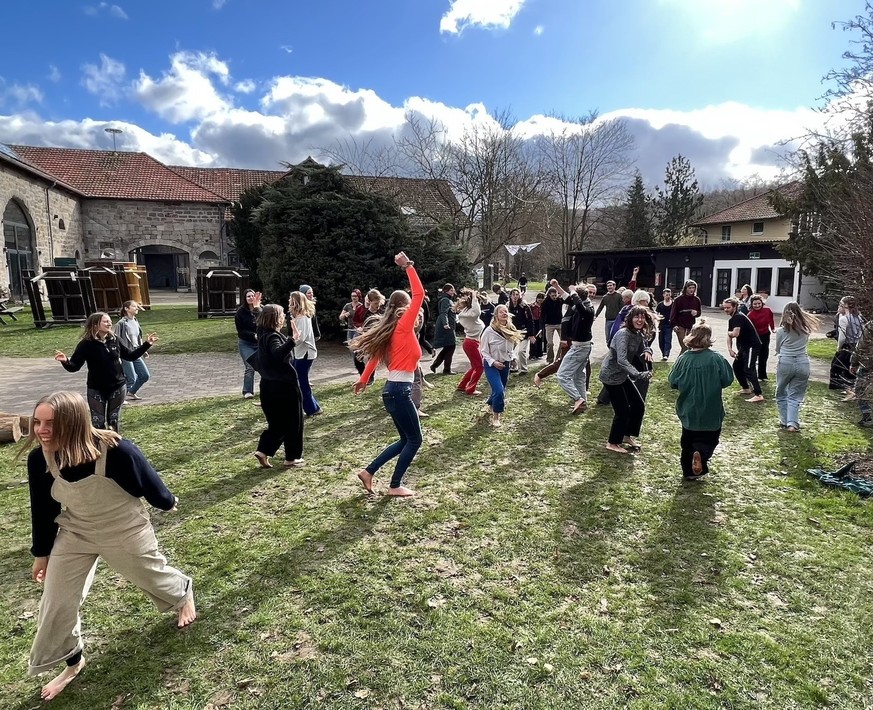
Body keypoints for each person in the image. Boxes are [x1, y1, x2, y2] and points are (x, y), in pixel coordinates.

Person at [22, 391, 195, 701]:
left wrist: (167, 502)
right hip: (76, 532)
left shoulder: (116, 452)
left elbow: (150, 484)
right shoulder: (39, 459)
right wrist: (41, 555)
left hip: (122, 527)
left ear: (73, 424)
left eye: (50, 423)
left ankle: (183, 594)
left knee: (150, 575)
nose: (41, 431)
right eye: (37, 422)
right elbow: (43, 510)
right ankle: (73, 661)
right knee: (57, 600)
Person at [351, 252, 423, 497]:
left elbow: (373, 359)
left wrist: (362, 380)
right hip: (400, 393)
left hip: (391, 392)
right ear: (404, 309)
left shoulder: (391, 330)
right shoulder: (402, 326)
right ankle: (395, 485)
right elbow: (420, 295)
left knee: (405, 439)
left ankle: (368, 472)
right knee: (415, 440)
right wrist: (408, 267)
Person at [54, 312, 156, 432]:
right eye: (106, 321)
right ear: (96, 324)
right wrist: (65, 361)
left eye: (109, 321)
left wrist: (146, 344)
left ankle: (114, 447)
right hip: (96, 388)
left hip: (118, 386)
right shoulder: (86, 344)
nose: (110, 323)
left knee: (113, 421)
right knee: (98, 422)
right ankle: (99, 448)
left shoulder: (115, 340)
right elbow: (74, 367)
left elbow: (130, 356)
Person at [667, 320, 734, 479]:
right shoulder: (716, 358)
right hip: (711, 407)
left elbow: (673, 381)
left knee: (688, 440)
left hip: (689, 406)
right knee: (710, 438)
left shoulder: (683, 359)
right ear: (708, 338)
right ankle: (701, 454)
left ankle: (689, 471)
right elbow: (727, 380)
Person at [253, 304, 304, 468]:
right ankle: (292, 457)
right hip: (284, 386)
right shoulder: (273, 337)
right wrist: (293, 340)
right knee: (294, 421)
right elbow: (277, 353)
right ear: (276, 318)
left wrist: (257, 309)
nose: (284, 317)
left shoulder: (262, 333)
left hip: (268, 385)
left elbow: (260, 321)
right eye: (282, 315)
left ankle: (263, 451)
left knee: (278, 423)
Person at [598, 306, 655, 454]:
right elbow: (622, 360)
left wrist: (647, 351)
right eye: (637, 316)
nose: (640, 320)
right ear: (630, 318)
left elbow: (644, 346)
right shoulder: (623, 334)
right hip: (611, 375)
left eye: (642, 317)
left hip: (622, 375)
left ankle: (626, 436)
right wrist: (638, 374)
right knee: (622, 410)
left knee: (638, 405)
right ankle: (612, 442)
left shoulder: (637, 333)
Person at [775, 302, 821, 432]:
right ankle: (792, 423)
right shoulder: (806, 330)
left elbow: (778, 348)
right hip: (803, 362)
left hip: (786, 362)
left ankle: (784, 420)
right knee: (795, 395)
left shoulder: (781, 331)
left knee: (781, 392)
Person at [479, 304, 524, 427]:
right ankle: (496, 416)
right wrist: (493, 362)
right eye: (501, 312)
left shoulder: (510, 330)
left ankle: (490, 404)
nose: (504, 313)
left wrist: (513, 358)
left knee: (499, 389)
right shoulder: (489, 331)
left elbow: (511, 349)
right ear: (496, 315)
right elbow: (483, 351)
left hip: (505, 364)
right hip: (491, 365)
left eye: (506, 311)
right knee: (499, 391)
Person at [556, 284, 595, 415]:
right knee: (579, 376)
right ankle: (583, 403)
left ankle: (578, 399)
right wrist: (557, 286)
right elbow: (568, 298)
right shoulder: (580, 304)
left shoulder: (587, 309)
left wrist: (573, 291)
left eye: (574, 296)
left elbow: (577, 304)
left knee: (562, 375)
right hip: (583, 346)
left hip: (579, 348)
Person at [722, 297, 763, 403]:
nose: (726, 310)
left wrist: (729, 334)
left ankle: (758, 394)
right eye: (724, 308)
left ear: (735, 307)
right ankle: (746, 388)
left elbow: (734, 334)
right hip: (744, 347)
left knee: (749, 369)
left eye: (728, 308)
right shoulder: (732, 319)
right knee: (736, 366)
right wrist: (730, 349)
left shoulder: (738, 317)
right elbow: (729, 335)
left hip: (751, 346)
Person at [289, 291, 322, 418]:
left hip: (305, 354)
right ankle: (311, 407)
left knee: (302, 382)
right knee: (298, 380)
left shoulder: (302, 318)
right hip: (301, 353)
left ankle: (313, 409)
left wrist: (289, 343)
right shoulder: (298, 317)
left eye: (290, 300)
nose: (289, 302)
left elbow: (300, 338)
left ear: (296, 302)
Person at [113, 300, 150, 400]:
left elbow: (138, 337)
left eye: (136, 306)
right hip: (125, 353)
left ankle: (131, 392)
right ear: (126, 309)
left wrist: (143, 349)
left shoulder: (135, 321)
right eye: (134, 306)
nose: (136, 308)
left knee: (144, 375)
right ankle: (121, 397)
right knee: (131, 377)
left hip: (135, 352)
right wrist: (118, 355)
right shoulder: (121, 324)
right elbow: (116, 340)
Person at [455, 288, 485, 396]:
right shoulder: (470, 314)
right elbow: (477, 311)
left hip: (473, 342)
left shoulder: (467, 313)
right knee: (479, 367)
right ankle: (470, 389)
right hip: (471, 343)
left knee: (475, 366)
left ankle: (462, 385)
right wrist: (474, 297)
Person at [829, 296, 862, 392]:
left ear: (845, 306)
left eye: (840, 304)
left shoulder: (844, 319)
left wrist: (839, 348)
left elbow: (842, 337)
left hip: (847, 346)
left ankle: (841, 389)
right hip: (855, 346)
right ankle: (850, 389)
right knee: (850, 370)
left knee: (836, 367)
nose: (838, 307)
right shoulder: (859, 317)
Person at [235, 289, 262, 399]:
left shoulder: (261, 309)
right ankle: (247, 391)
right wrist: (253, 335)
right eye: (248, 296)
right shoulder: (240, 313)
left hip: (260, 343)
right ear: (245, 299)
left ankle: (267, 389)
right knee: (249, 366)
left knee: (263, 366)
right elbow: (240, 331)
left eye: (252, 296)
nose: (251, 298)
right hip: (246, 343)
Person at [850, 318, 873, 427]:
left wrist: (854, 362)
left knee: (860, 389)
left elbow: (861, 345)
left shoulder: (870, 326)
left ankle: (867, 416)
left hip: (868, 362)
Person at [430, 283, 457, 375]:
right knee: (451, 346)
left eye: (453, 290)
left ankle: (436, 365)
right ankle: (446, 369)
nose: (453, 292)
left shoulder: (448, 300)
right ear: (446, 291)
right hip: (446, 326)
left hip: (448, 325)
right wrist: (445, 324)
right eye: (451, 290)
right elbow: (443, 313)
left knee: (448, 347)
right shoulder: (445, 300)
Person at [747, 294, 776, 380]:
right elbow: (749, 328)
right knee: (754, 356)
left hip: (765, 335)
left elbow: (771, 320)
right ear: (752, 305)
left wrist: (773, 328)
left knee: (764, 355)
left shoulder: (767, 311)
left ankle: (762, 375)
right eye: (755, 304)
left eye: (759, 303)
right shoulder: (750, 315)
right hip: (755, 337)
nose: (757, 305)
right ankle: (751, 375)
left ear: (762, 303)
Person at [340, 289, 367, 376]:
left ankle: (359, 366)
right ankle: (358, 365)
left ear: (359, 296)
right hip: (350, 329)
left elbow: (364, 319)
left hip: (358, 330)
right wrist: (344, 315)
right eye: (352, 296)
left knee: (356, 348)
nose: (353, 298)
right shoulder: (348, 306)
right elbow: (340, 317)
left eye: (355, 296)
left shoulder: (361, 306)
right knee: (351, 349)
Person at [507, 288, 535, 374]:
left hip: (523, 332)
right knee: (509, 351)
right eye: (513, 294)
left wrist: (531, 334)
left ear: (519, 296)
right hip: (512, 332)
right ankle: (513, 365)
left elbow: (530, 320)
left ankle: (524, 369)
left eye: (517, 294)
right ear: (510, 296)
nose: (515, 297)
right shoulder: (507, 306)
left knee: (521, 351)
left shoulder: (524, 306)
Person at [670, 280, 702, 355]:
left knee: (689, 346)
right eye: (689, 288)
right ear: (686, 288)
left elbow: (699, 312)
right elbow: (673, 314)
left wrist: (696, 313)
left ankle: (682, 363)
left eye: (693, 288)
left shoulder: (696, 300)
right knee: (685, 346)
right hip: (680, 325)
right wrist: (674, 325)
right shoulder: (678, 300)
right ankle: (680, 363)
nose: (691, 290)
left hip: (691, 326)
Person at [541, 287, 564, 363]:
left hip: (559, 323)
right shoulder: (545, 302)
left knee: (563, 341)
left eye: (555, 295)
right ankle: (550, 359)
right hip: (549, 324)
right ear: (549, 295)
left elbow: (567, 299)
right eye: (552, 295)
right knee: (550, 343)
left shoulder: (560, 300)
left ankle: (558, 358)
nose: (554, 297)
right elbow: (542, 315)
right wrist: (542, 326)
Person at [655, 288, 674, 361]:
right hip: (661, 325)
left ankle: (666, 354)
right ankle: (663, 353)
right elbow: (656, 313)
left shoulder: (673, 304)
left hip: (669, 325)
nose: (668, 296)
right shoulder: (660, 305)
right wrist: (658, 317)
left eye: (669, 294)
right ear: (663, 295)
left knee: (668, 339)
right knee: (661, 340)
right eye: (666, 295)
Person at [529, 292, 545, 360]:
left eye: (542, 299)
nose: (540, 300)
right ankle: (532, 354)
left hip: (541, 322)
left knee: (540, 338)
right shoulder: (532, 306)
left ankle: (539, 353)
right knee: (534, 338)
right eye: (539, 298)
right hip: (534, 322)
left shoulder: (544, 306)